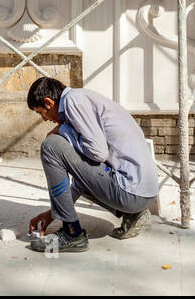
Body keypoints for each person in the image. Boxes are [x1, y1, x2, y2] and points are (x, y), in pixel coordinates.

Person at [25, 76, 159, 254]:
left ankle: (72, 234)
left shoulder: (73, 102)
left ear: (49, 103)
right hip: (142, 193)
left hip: (130, 190)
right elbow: (84, 177)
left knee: (52, 145)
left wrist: (62, 130)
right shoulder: (81, 99)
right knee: (67, 148)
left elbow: (98, 153)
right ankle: (133, 214)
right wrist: (53, 213)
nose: (44, 119)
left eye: (40, 112)